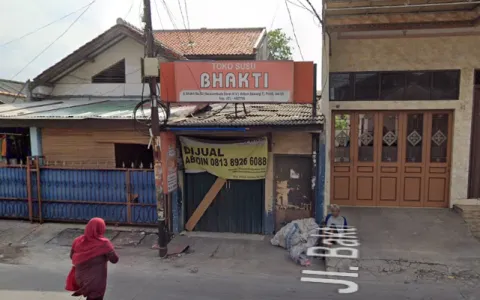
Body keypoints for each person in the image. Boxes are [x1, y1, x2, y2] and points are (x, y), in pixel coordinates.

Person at [66, 217, 119, 300]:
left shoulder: (77, 240)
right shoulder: (104, 243)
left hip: (80, 278)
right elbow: (114, 260)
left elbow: (71, 256)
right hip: (95, 281)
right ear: (101, 228)